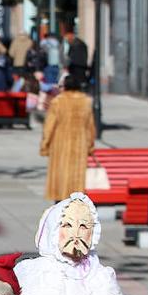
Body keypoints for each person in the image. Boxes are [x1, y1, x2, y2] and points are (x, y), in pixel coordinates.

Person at [40, 73, 95, 201]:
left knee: (61, 177)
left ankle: (59, 205)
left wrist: (45, 145)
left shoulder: (58, 102)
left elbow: (49, 126)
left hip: (60, 146)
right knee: (76, 178)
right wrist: (90, 146)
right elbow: (90, 127)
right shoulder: (86, 102)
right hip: (79, 146)